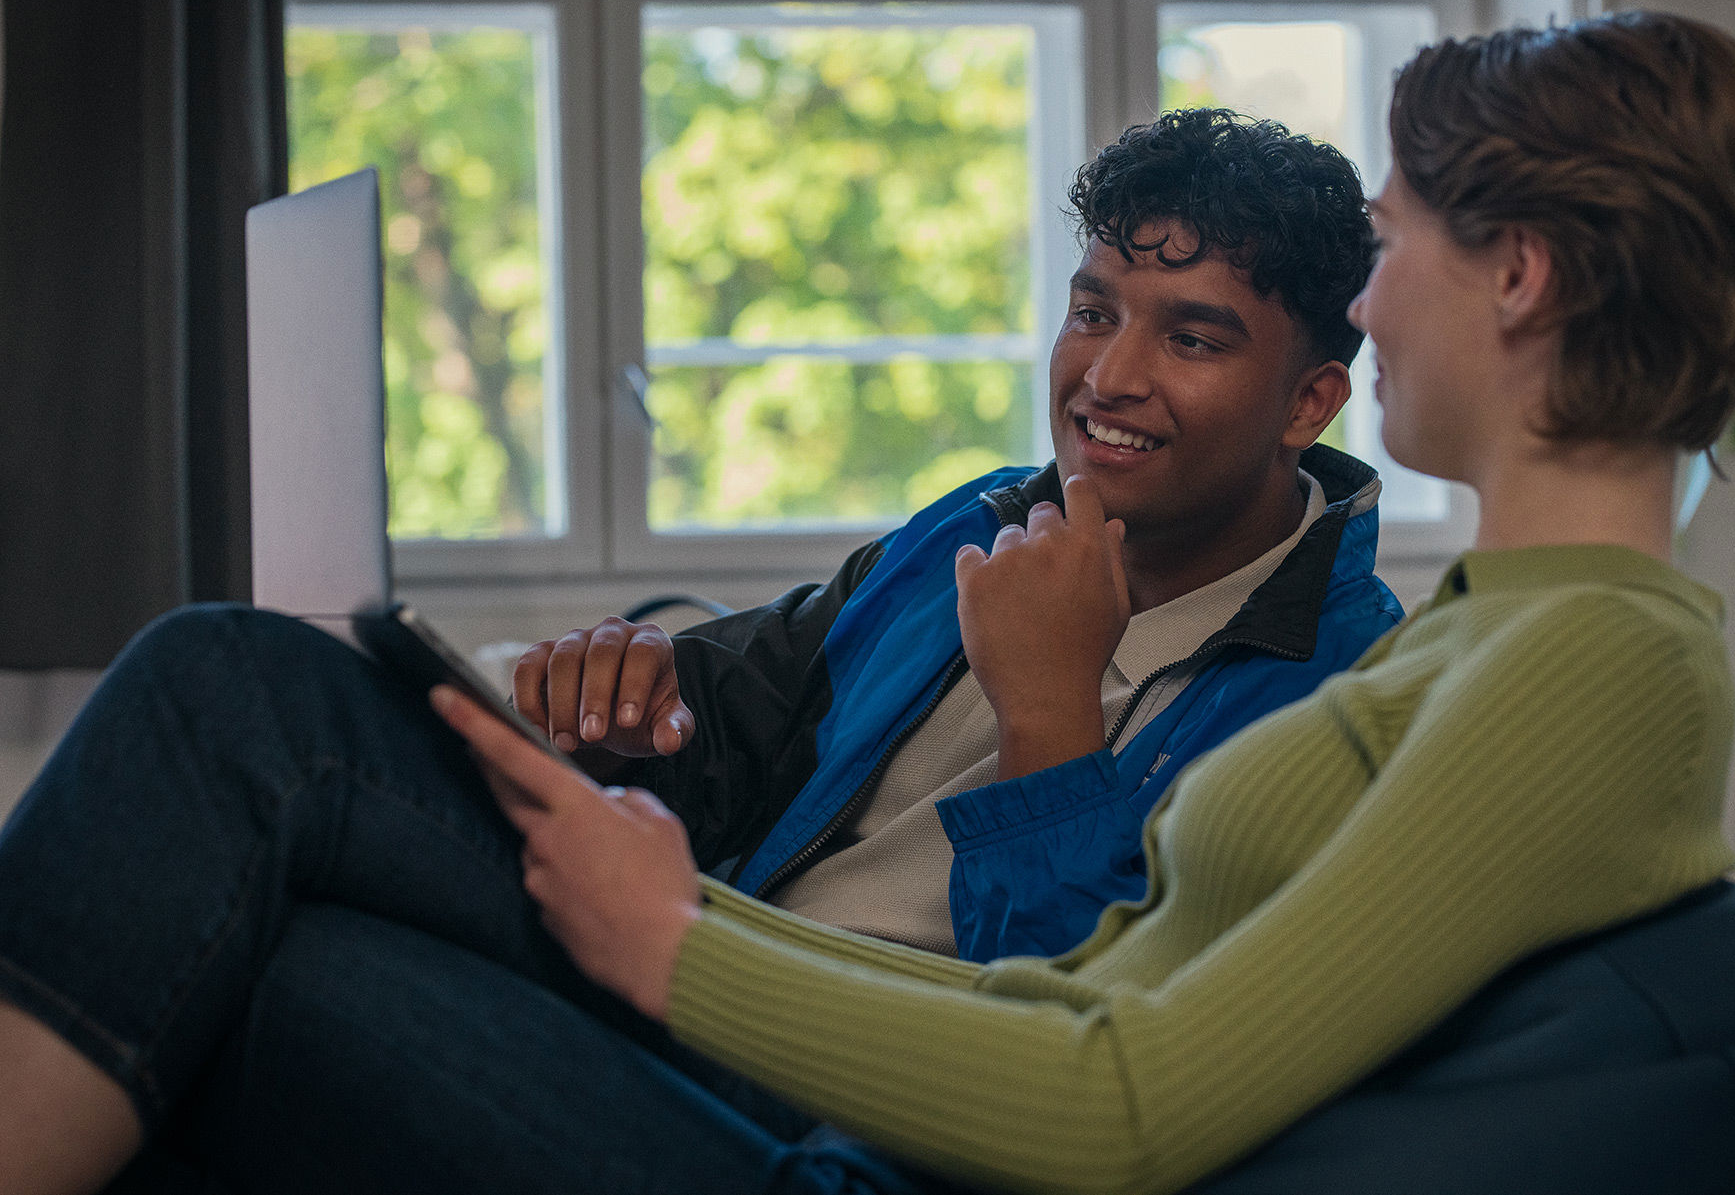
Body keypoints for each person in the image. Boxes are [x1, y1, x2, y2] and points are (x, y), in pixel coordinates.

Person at [0, 10, 1735, 1195]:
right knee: (239, 808)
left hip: (865, 1152)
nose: (1378, 291)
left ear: (1517, 276)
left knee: (243, 793)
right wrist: (649, 815)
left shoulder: (1575, 662)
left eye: (1395, 239)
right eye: (1095, 309)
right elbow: (1084, 983)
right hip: (809, 1056)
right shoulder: (1508, 627)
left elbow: (1122, 1094)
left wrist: (691, 937)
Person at [513, 107, 1401, 962]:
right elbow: (746, 718)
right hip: (698, 981)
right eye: (1093, 315)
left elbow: (1097, 1016)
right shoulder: (980, 520)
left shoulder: (1351, 690)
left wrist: (1048, 713)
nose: (1107, 376)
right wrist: (619, 731)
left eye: (1192, 341)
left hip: (840, 1058)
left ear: (1307, 403)